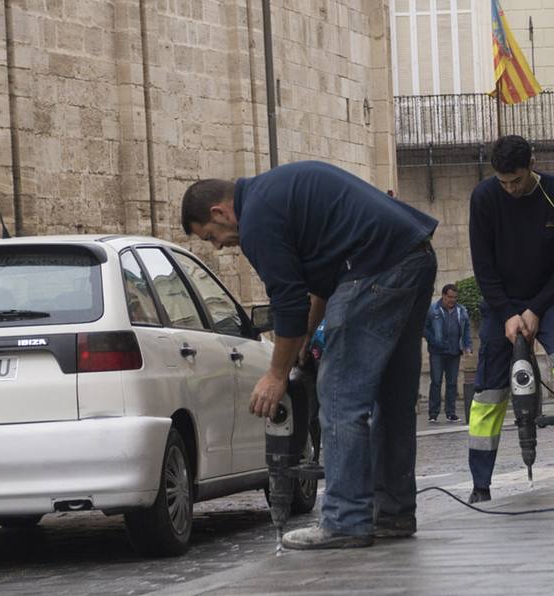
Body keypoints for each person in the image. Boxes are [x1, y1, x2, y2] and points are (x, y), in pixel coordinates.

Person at [181, 162, 437, 549]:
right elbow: (320, 281)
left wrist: (276, 374)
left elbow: (286, 302)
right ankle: (394, 513)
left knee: (338, 398)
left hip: (374, 269)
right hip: (412, 255)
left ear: (220, 212)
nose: (219, 246)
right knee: (393, 398)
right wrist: (306, 337)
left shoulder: (257, 221)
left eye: (211, 236)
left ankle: (345, 520)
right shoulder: (277, 193)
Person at [466, 135, 554, 502]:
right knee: (489, 391)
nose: (510, 189)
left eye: (517, 180)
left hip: (548, 300)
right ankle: (480, 484)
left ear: (532, 163)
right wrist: (509, 313)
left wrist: (536, 309)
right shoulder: (483, 198)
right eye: (503, 182)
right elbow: (482, 265)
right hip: (501, 306)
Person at [425, 284, 472, 422]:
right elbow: (425, 329)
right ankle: (433, 414)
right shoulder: (433, 309)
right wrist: (433, 341)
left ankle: (450, 413)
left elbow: (466, 330)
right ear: (444, 295)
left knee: (452, 383)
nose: (452, 300)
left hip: (454, 351)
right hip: (437, 352)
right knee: (436, 382)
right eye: (450, 297)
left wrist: (467, 346)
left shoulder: (461, 310)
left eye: (455, 297)